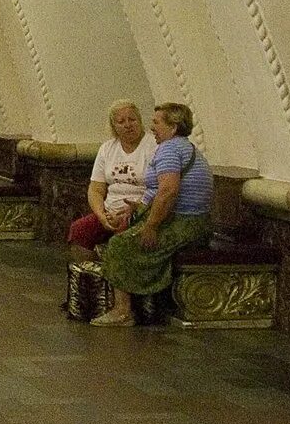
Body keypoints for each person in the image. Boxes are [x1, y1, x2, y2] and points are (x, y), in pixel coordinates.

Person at [94, 103, 213, 326]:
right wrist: (139, 206)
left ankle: (123, 311)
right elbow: (157, 189)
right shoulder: (181, 147)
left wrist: (151, 226)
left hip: (186, 223)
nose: (152, 127)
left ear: (174, 127)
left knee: (120, 244)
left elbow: (168, 192)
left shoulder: (170, 149)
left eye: (157, 122)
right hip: (192, 221)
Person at [67, 101, 157, 262]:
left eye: (132, 119)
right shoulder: (107, 148)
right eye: (121, 122)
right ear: (114, 126)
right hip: (110, 210)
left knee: (121, 236)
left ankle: (117, 279)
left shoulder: (154, 146)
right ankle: (93, 277)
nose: (128, 125)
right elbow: (96, 189)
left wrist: (137, 209)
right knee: (79, 230)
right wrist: (101, 215)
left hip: (139, 211)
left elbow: (160, 187)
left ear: (140, 121)